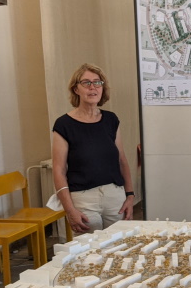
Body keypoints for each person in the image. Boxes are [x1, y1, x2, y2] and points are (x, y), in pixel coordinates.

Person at [51, 64, 135, 233]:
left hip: (115, 196)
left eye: (97, 82)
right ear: (76, 89)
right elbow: (58, 170)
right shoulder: (64, 124)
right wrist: (70, 210)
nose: (93, 87)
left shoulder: (111, 120)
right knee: (89, 247)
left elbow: (122, 160)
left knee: (121, 244)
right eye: (86, 83)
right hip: (83, 199)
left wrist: (130, 195)